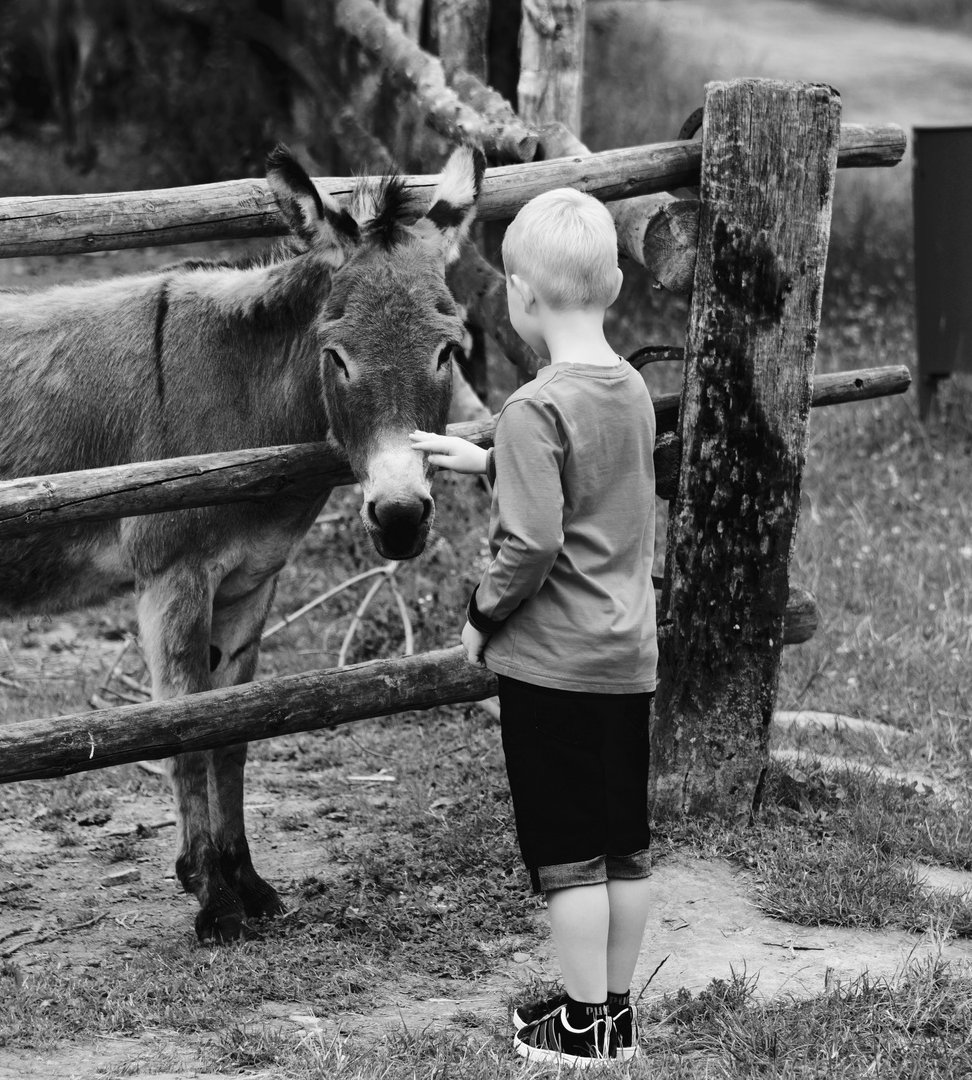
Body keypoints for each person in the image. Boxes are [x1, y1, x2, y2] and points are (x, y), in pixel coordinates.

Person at [410, 186, 658, 1068]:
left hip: (553, 670)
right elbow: (587, 484)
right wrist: (491, 458)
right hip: (627, 661)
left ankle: (583, 1030)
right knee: (623, 849)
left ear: (517, 295)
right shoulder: (630, 391)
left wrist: (480, 615)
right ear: (616, 284)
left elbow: (534, 539)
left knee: (567, 859)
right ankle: (618, 1014)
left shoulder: (532, 409)